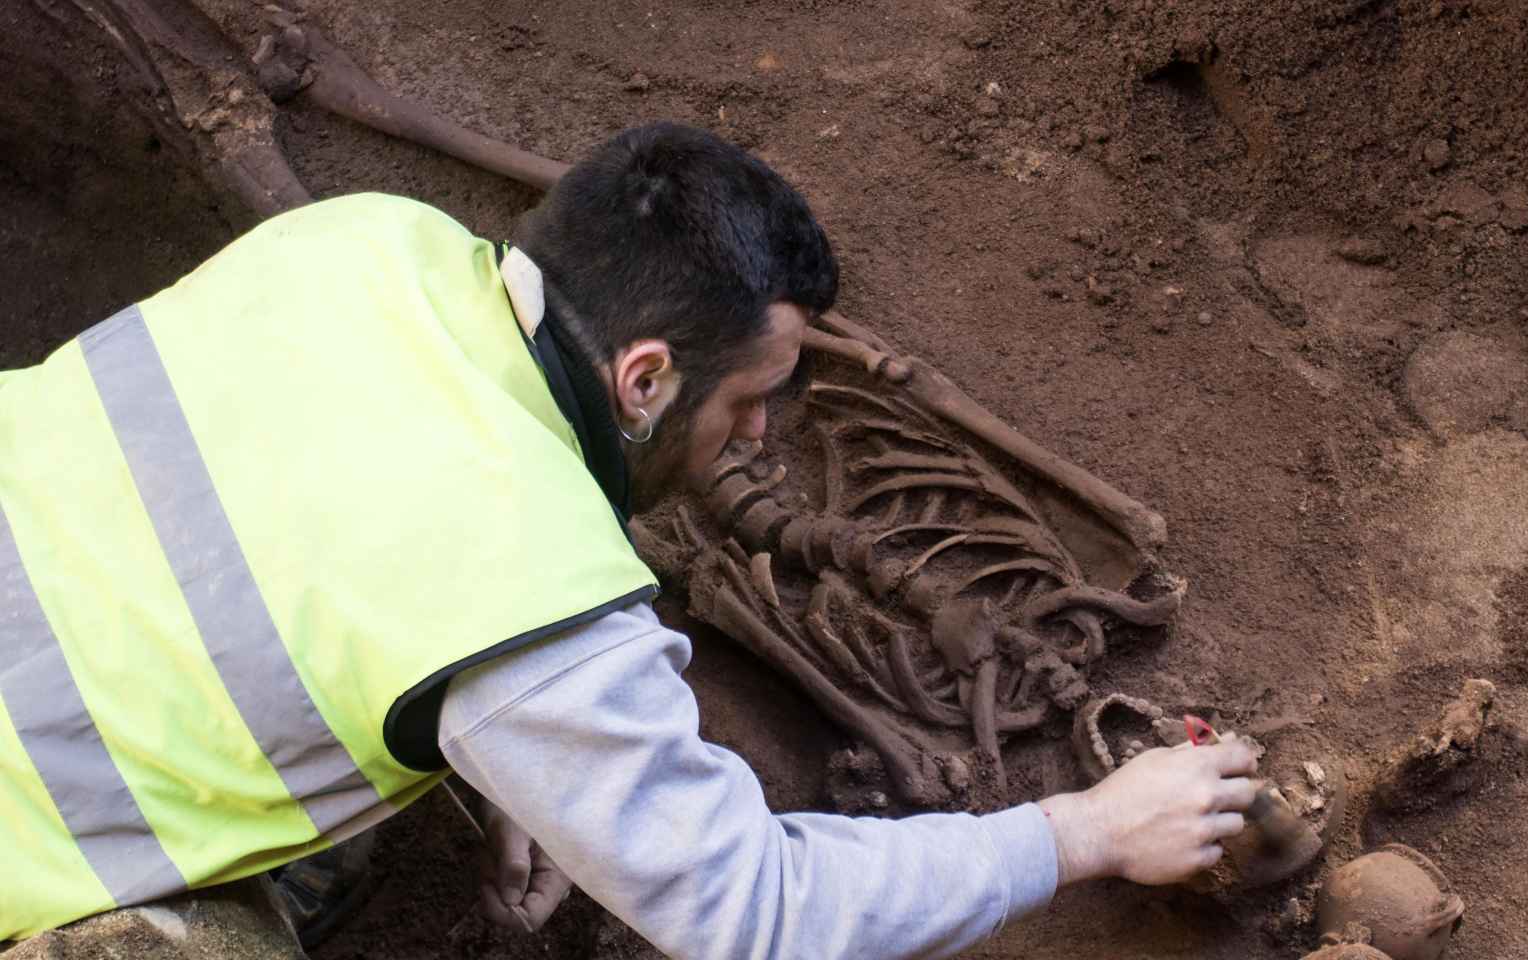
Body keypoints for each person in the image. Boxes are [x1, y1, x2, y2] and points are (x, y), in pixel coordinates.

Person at [0, 122, 1258, 958]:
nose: (762, 434)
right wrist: (1082, 833)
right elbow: (748, 907)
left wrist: (512, 753)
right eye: (746, 399)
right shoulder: (531, 589)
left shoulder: (365, 242)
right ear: (646, 377)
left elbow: (287, 500)